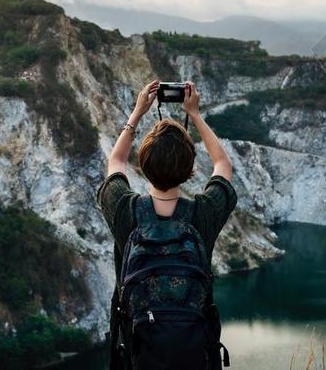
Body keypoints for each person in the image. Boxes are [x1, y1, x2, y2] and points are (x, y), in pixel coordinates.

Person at [96, 79, 236, 369]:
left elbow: (116, 161)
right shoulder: (203, 215)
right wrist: (195, 114)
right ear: (189, 169)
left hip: (137, 355)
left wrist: (137, 113)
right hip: (195, 355)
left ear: (144, 165)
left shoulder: (126, 211)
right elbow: (223, 165)